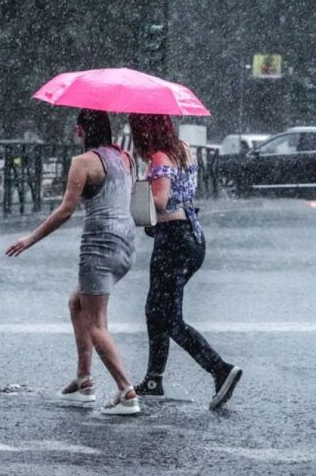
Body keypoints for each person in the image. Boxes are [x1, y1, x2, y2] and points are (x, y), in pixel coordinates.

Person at [6, 109, 140, 415]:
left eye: (75, 129)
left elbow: (66, 210)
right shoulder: (127, 159)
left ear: (81, 130)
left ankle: (126, 391)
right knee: (77, 303)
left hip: (99, 246)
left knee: (96, 323)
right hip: (126, 245)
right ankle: (84, 381)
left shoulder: (83, 163)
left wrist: (29, 239)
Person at [128, 113, 242, 411]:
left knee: (169, 317)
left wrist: (135, 195)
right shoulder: (183, 148)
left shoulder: (160, 157)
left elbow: (161, 200)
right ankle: (153, 380)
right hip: (192, 238)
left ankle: (220, 369)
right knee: (156, 309)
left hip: (173, 241)